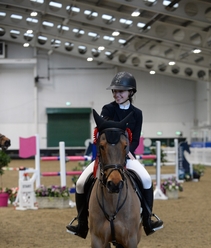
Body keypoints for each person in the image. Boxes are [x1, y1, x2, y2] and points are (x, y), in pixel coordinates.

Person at [66, 71, 163, 238]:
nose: (117, 94)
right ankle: (81, 223)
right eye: (115, 91)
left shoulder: (137, 113)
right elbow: (103, 134)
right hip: (107, 158)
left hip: (127, 156)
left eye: (121, 91)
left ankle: (148, 219)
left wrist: (127, 153)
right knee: (81, 182)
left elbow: (136, 138)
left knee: (146, 179)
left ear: (130, 92)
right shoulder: (108, 109)